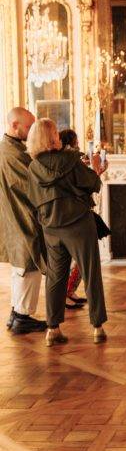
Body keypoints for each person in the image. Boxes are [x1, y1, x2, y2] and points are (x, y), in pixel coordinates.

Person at [26, 117, 108, 347]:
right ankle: (97, 327)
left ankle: (52, 329)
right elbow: (93, 184)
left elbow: (32, 199)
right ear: (53, 137)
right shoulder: (71, 159)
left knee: (55, 277)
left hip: (51, 228)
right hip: (79, 224)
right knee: (91, 272)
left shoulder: (33, 167)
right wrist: (96, 170)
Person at [0, 107, 46, 335]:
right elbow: (32, 185)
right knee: (29, 264)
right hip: (21, 216)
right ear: (14, 125)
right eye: (29, 127)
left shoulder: (12, 148)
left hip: (15, 216)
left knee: (22, 266)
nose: (32, 131)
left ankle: (17, 313)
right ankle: (22, 317)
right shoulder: (13, 153)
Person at [58, 128, 87, 310]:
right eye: (75, 141)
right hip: (69, 216)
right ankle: (65, 294)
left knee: (79, 259)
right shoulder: (67, 162)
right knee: (74, 258)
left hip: (77, 212)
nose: (77, 144)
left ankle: (70, 291)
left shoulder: (74, 159)